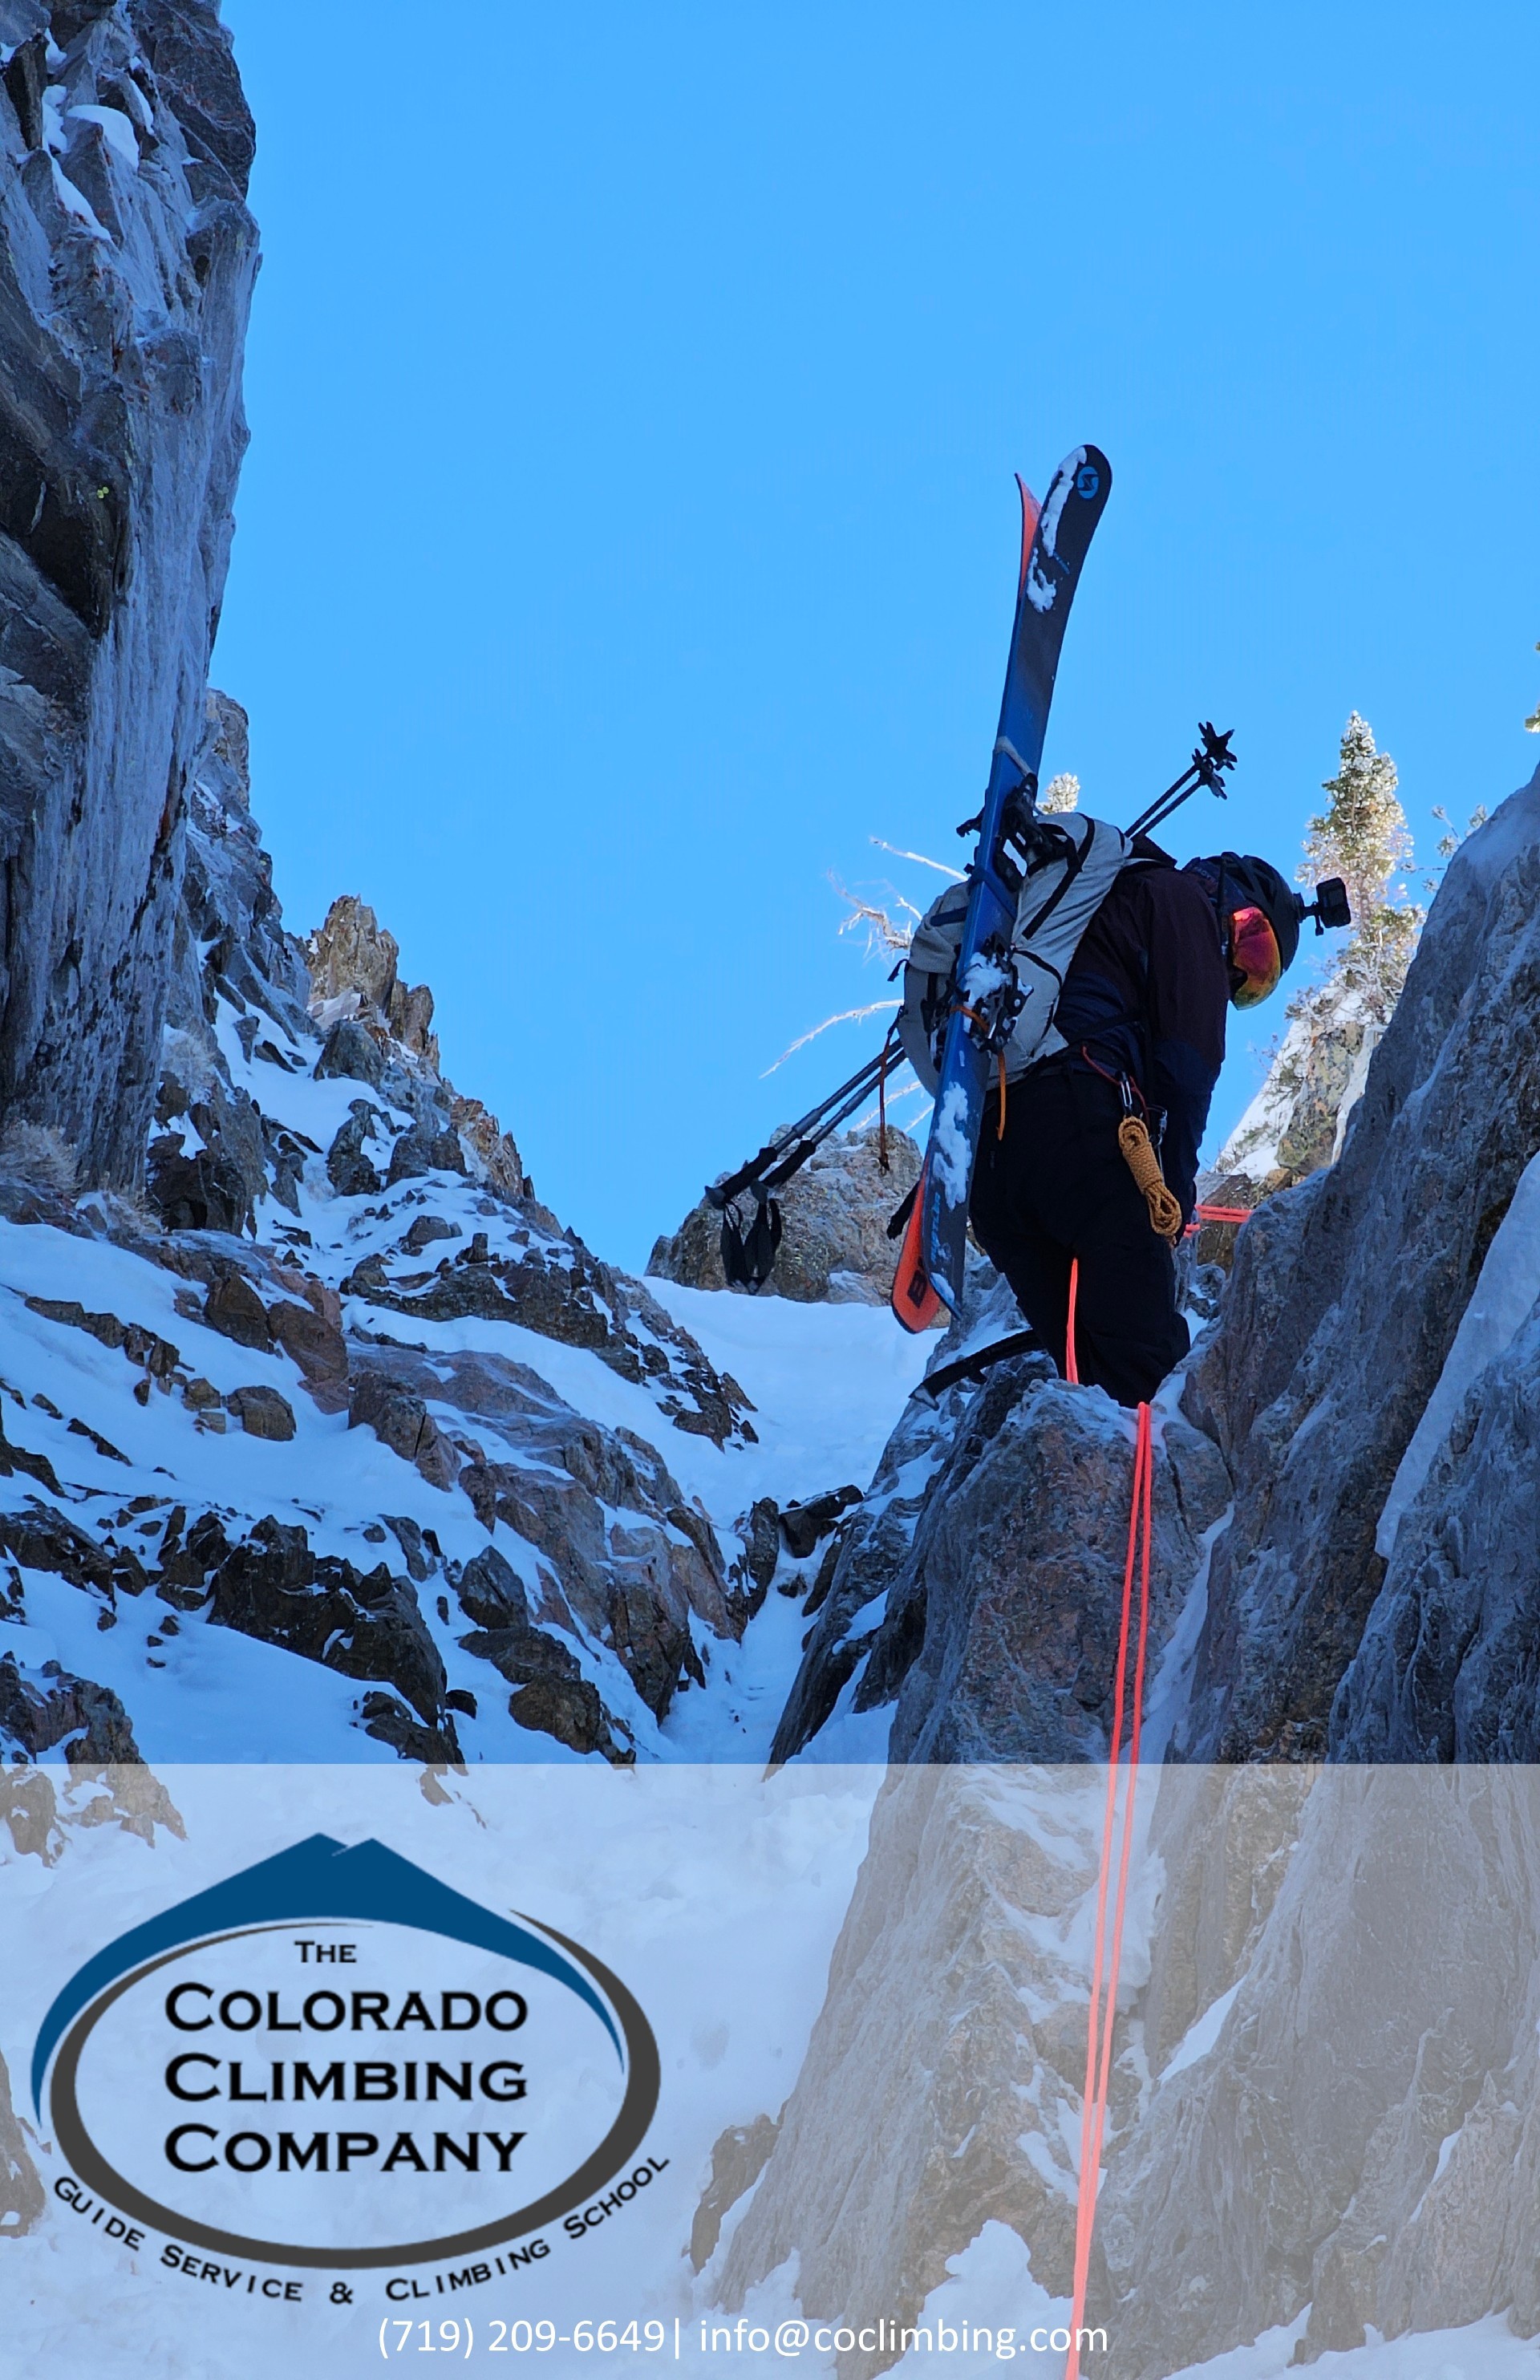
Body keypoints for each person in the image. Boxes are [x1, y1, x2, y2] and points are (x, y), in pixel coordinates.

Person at [968, 843, 1303, 1407]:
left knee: (1093, 1381)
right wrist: (1170, 1201)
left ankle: (1099, 1474)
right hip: (1079, 1120)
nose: (1238, 972)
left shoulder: (1109, 911)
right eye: (1253, 939)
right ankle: (1152, 1481)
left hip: (997, 1163)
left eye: (1258, 978)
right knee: (1145, 1367)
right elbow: (1189, 1070)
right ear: (1224, 893)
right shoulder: (1184, 901)